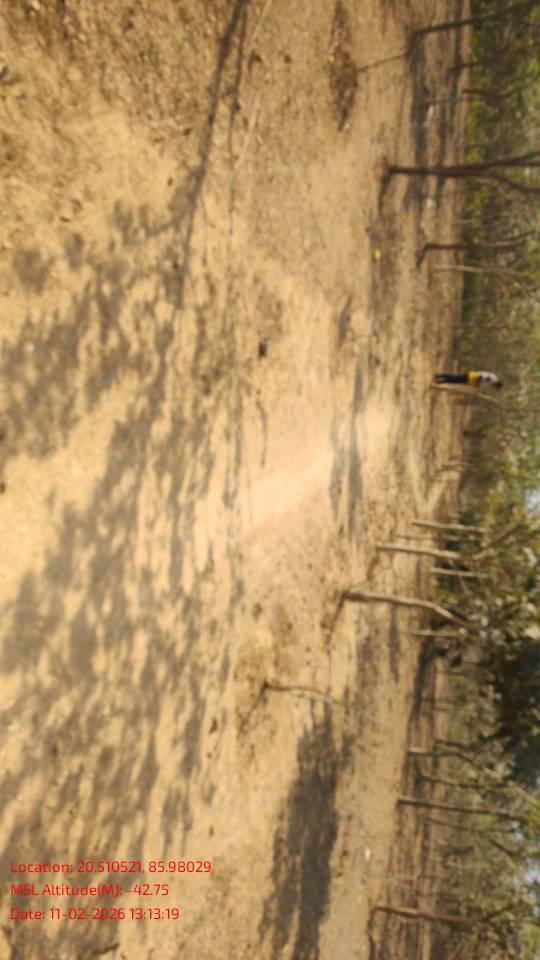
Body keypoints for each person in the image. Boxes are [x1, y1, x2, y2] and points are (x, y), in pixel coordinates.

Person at [434, 371, 503, 389]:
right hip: (471, 377)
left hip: (471, 380)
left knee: (454, 381)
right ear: (497, 383)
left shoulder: (492, 381)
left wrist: (477, 386)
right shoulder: (492, 379)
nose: (494, 387)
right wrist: (478, 384)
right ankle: (439, 376)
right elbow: (481, 377)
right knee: (455, 378)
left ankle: (439, 381)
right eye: (496, 386)